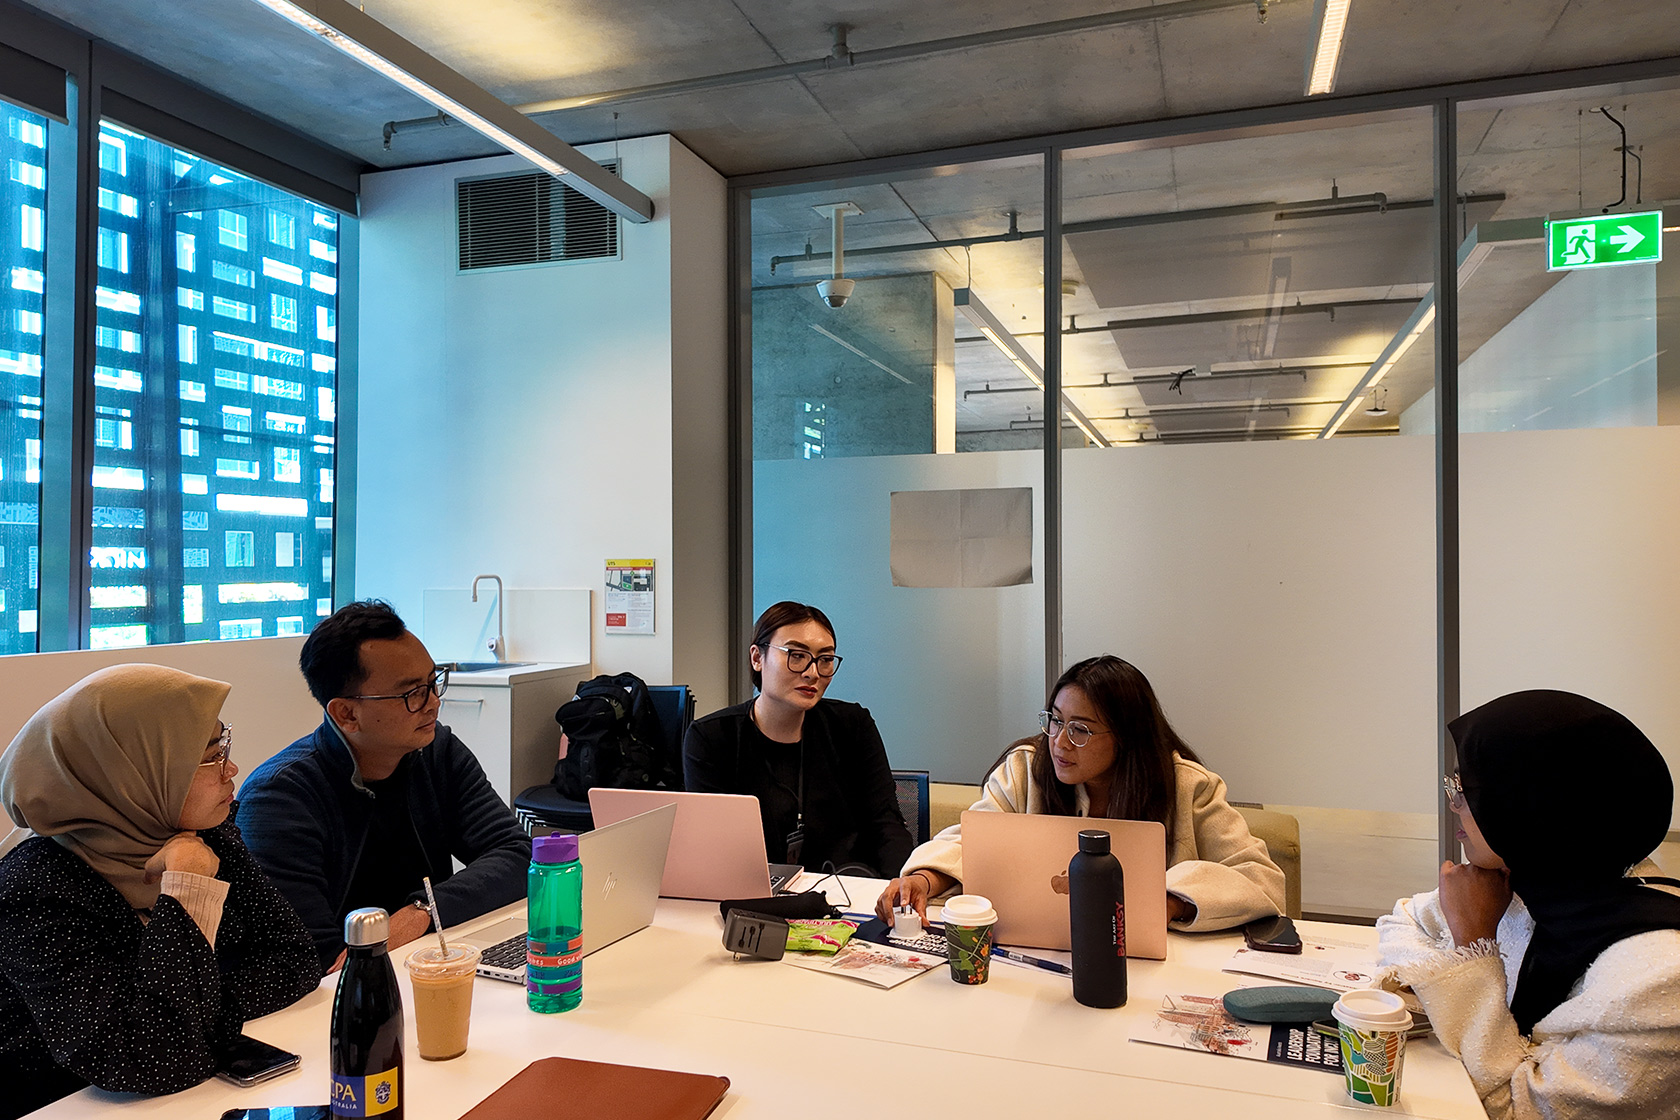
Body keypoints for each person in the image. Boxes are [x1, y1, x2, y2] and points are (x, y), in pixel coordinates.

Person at [0, 665, 320, 1119]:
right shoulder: (35, 891)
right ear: (128, 773)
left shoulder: (203, 832)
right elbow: (146, 1060)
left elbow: (295, 958)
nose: (232, 768)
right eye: (211, 755)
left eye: (223, 743)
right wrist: (188, 891)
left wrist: (196, 1014)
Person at [1376, 690, 1680, 1120]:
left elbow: (1514, 1111)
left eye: (1467, 790)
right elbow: (1401, 921)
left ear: (1534, 804)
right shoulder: (1547, 875)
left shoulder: (1655, 980)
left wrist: (1471, 948)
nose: (1454, 804)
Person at [874, 654, 1285, 931]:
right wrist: (924, 881)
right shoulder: (1025, 770)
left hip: (1154, 964)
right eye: (1054, 721)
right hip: (1035, 951)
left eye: (1081, 730)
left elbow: (1261, 879)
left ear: (1126, 737)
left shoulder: (1186, 785)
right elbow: (972, 842)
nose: (1059, 742)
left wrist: (1169, 901)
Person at [237, 600, 529, 970]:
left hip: (426, 965)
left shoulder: (437, 752)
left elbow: (518, 854)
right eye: (412, 694)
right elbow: (310, 960)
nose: (434, 703)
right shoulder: (278, 799)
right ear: (346, 714)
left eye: (432, 681)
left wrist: (421, 911)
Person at [683, 601, 914, 878]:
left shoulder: (852, 725)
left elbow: (885, 821)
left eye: (825, 659)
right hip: (755, 891)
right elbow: (713, 847)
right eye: (796, 655)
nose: (812, 672)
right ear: (757, 658)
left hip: (851, 888)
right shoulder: (711, 738)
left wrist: (902, 888)